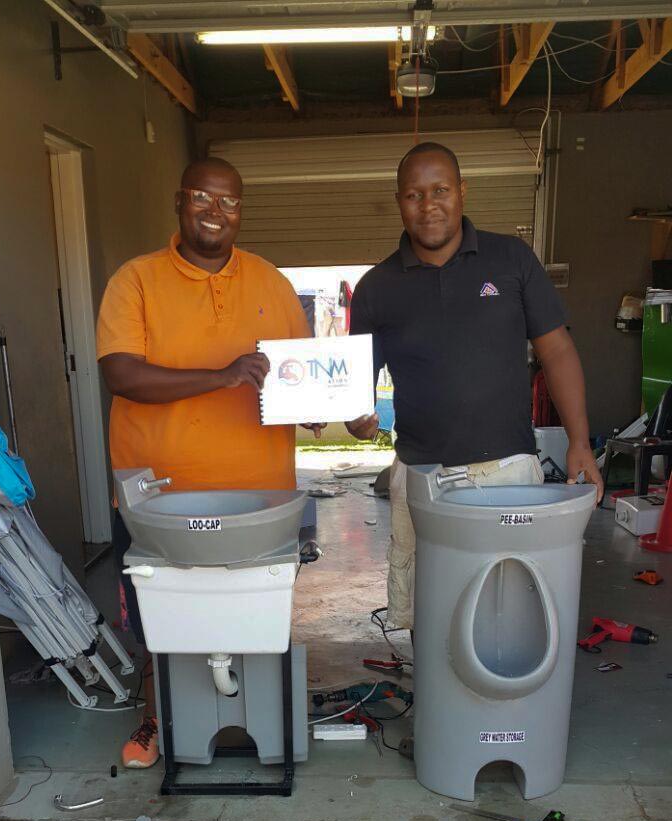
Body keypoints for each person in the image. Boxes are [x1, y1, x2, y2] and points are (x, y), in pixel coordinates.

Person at [96, 157, 322, 768]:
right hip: (159, 497)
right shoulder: (135, 280)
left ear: (241, 210)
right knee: (158, 617)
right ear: (179, 201)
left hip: (259, 497)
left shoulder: (271, 284)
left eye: (228, 202)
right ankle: (156, 719)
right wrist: (222, 377)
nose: (215, 212)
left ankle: (260, 720)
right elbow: (121, 373)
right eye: (202, 197)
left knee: (252, 613)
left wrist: (333, 408)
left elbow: (299, 377)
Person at [347, 141, 603, 634]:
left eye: (440, 189)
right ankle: (439, 708)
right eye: (414, 195)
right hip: (421, 477)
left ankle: (506, 709)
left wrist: (579, 441)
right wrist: (356, 420)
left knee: (506, 609)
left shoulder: (510, 259)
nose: (429, 205)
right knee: (429, 612)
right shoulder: (376, 287)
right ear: (399, 201)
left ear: (463, 191)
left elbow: (557, 351)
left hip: (507, 473)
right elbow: (357, 384)